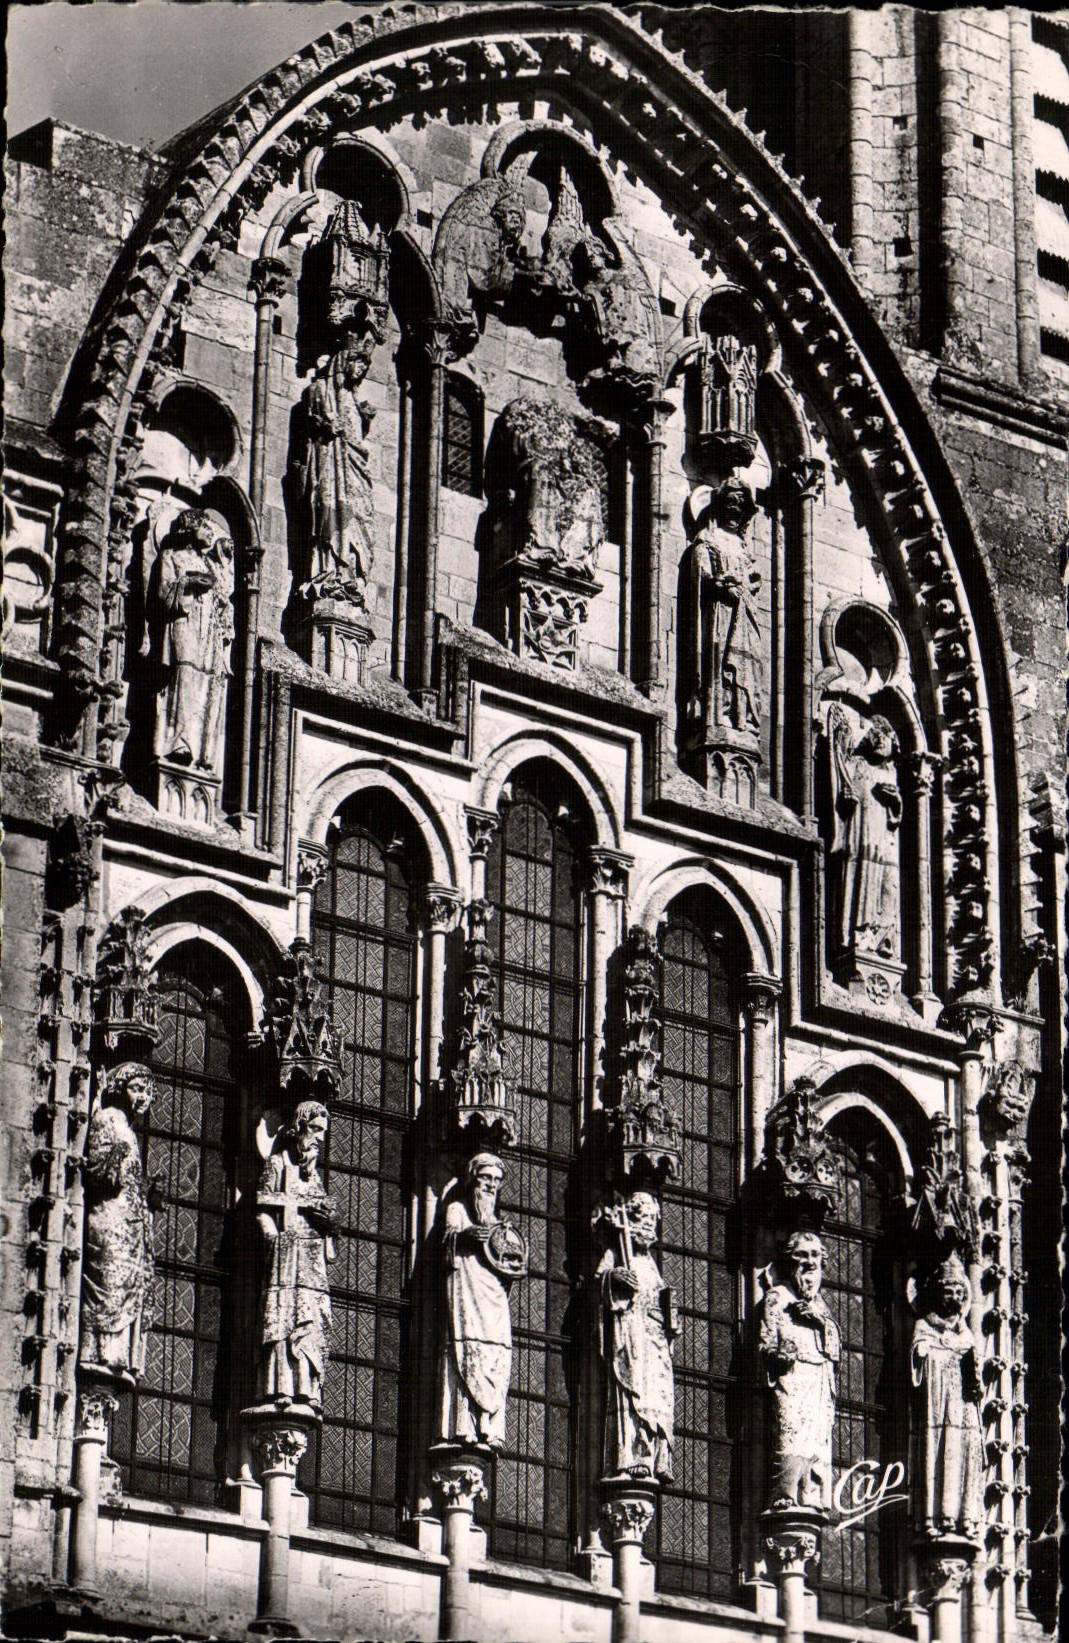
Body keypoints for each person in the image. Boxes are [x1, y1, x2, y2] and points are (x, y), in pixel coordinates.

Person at [436, 1152, 528, 1450]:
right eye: (485, 1178)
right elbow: (447, 1243)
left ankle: (489, 1426)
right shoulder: (457, 1211)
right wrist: (465, 1237)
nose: (491, 1186)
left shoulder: (502, 1226)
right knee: (468, 1352)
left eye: (496, 1181)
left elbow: (515, 1265)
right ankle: (464, 1426)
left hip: (494, 1303)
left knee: (495, 1356)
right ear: (472, 1179)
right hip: (465, 1298)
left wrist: (512, 1255)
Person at [80, 1063, 160, 1380]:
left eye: (148, 1092)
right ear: (119, 1089)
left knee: (123, 1286)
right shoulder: (109, 1119)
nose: (143, 1097)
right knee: (108, 1282)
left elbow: (126, 1179)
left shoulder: (126, 1127)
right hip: (110, 1220)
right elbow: (98, 1173)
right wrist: (116, 1156)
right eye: (137, 1088)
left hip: (129, 1226)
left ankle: (113, 1357)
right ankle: (96, 1354)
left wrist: (147, 1193)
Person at [256, 1101, 336, 1409]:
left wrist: (329, 1226)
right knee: (283, 1324)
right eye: (315, 1130)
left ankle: (306, 1388)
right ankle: (281, 1389)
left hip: (312, 1266)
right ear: (298, 1129)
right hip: (285, 1261)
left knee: (310, 1324)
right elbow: (263, 1207)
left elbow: (326, 1219)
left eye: (323, 1133)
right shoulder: (278, 1164)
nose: (319, 1139)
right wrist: (274, 1241)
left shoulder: (314, 1178)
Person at [595, 1191, 678, 1482]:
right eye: (644, 1220)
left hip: (655, 1343)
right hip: (631, 1336)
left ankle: (657, 1454)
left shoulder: (650, 1265)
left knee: (658, 1396)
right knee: (634, 1392)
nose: (650, 1228)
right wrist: (614, 1278)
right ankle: (633, 1455)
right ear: (630, 1220)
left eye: (653, 1221)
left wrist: (670, 1316)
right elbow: (599, 1283)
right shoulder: (617, 1253)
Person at [757, 1231, 841, 1511]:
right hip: (791, 1378)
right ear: (789, 1260)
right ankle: (785, 1494)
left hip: (818, 1379)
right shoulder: (776, 1297)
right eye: (802, 1255)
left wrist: (819, 1321)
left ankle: (811, 1495)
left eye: (815, 1256)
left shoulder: (821, 1306)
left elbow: (835, 1349)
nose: (809, 1263)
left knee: (816, 1440)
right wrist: (779, 1355)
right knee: (790, 1432)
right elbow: (765, 1343)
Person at [149, 507, 234, 772]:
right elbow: (163, 595)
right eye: (205, 527)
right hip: (184, 622)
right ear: (189, 528)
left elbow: (224, 599)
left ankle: (202, 751)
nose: (210, 533)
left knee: (207, 680)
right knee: (184, 675)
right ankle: (178, 742)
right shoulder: (171, 556)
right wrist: (187, 582)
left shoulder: (210, 564)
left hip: (209, 630)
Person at [300, 331, 377, 604]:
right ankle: (328, 573)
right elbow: (313, 424)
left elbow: (357, 439)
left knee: (360, 517)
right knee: (329, 510)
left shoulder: (355, 401)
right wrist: (327, 426)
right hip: (330, 466)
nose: (361, 370)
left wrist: (363, 418)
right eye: (358, 363)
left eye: (365, 366)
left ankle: (351, 573)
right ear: (344, 360)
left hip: (355, 471)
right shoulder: (319, 390)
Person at [910, 1255, 983, 1541]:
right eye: (947, 1291)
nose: (953, 1297)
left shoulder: (966, 1335)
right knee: (936, 1454)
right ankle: (931, 1517)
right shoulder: (924, 1326)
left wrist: (973, 1374)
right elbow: (919, 1358)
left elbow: (974, 1375)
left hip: (962, 1411)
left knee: (963, 1456)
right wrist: (928, 1355)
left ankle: (963, 1519)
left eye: (958, 1292)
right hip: (936, 1408)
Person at [686, 479, 763, 738]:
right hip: (720, 611)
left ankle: (742, 718)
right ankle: (719, 714)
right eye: (730, 503)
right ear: (719, 507)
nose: (735, 509)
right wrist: (719, 584)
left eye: (740, 506)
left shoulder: (742, 546)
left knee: (745, 665)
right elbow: (702, 572)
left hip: (743, 610)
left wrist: (751, 582)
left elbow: (753, 577)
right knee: (721, 662)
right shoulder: (707, 538)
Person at [830, 711, 903, 958]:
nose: (882, 741)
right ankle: (855, 933)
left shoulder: (889, 774)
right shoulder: (858, 764)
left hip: (881, 840)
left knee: (884, 883)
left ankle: (878, 934)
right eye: (877, 735)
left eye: (887, 737)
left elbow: (895, 817)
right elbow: (843, 787)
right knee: (858, 875)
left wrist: (895, 802)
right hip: (859, 834)